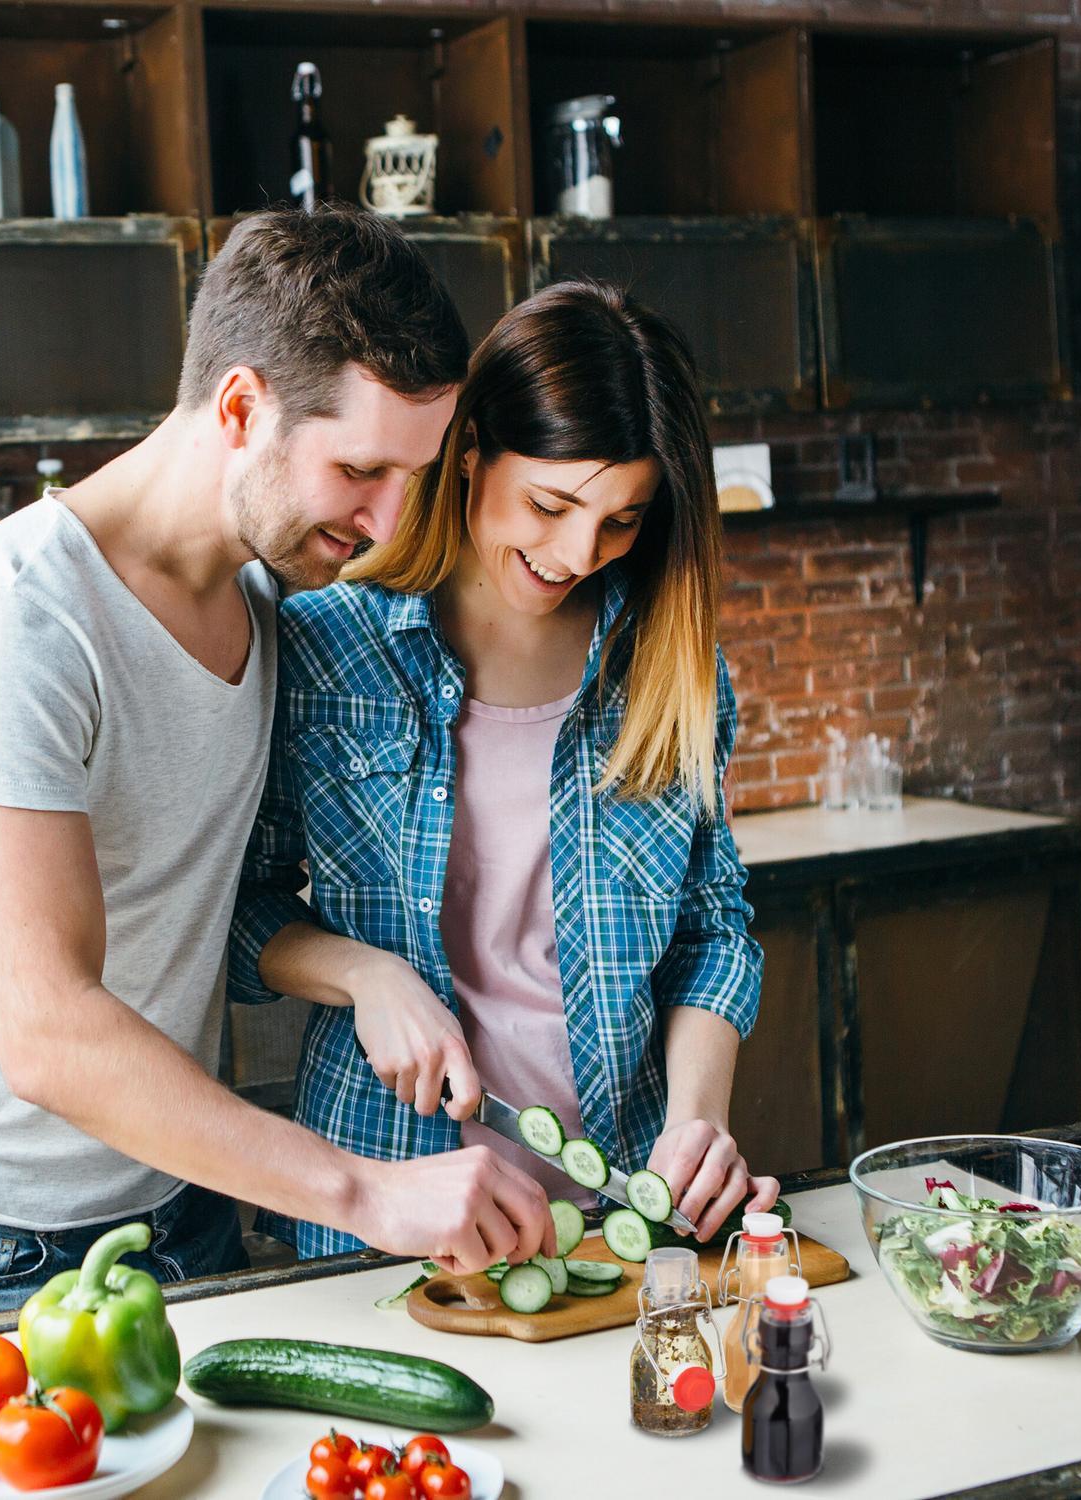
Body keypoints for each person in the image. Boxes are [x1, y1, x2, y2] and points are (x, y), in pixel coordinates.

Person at [0, 206, 556, 1323]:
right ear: (239, 408)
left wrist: (367, 970)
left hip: (184, 1203)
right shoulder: (18, 620)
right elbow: (46, 1032)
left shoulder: (268, 598)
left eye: (410, 476)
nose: (386, 522)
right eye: (360, 469)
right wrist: (366, 1192)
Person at [230, 280, 775, 1260]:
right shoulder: (325, 647)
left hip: (622, 1209)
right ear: (470, 448)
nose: (577, 553)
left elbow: (712, 928)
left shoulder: (671, 672)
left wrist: (699, 1121)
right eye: (550, 505)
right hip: (388, 1202)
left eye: (621, 520)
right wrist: (363, 974)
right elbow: (241, 910)